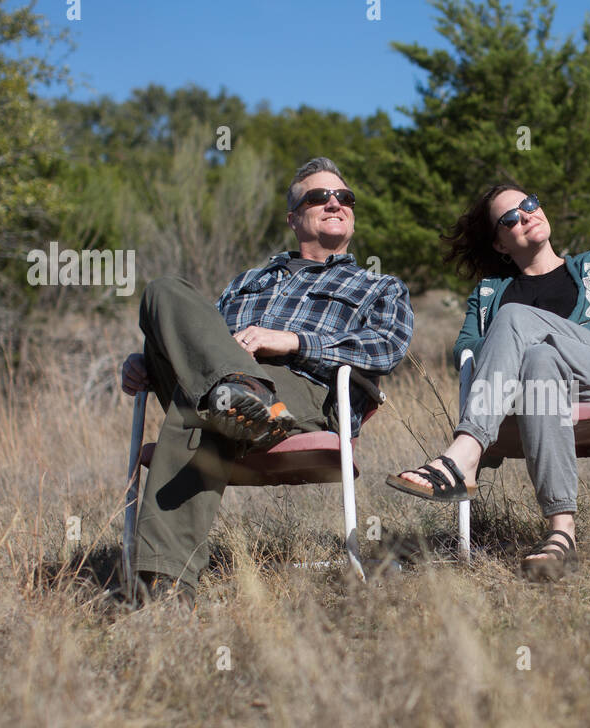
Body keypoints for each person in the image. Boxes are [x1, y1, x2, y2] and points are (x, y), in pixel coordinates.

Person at [120, 157, 413, 607]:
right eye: (319, 197)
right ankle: (241, 397)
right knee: (163, 290)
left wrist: (292, 341)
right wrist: (146, 360)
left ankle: (164, 585)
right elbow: (204, 342)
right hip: (225, 385)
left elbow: (386, 348)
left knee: (207, 406)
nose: (335, 203)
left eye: (344, 198)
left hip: (302, 394)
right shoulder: (246, 282)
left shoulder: (376, 286)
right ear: (293, 218)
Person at [387, 184, 590, 580]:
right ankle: (562, 533)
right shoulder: (490, 292)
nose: (526, 215)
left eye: (529, 204)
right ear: (499, 244)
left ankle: (465, 454)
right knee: (539, 362)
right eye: (510, 218)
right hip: (539, 393)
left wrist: (532, 328)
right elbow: (467, 349)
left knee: (517, 321)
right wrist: (530, 347)